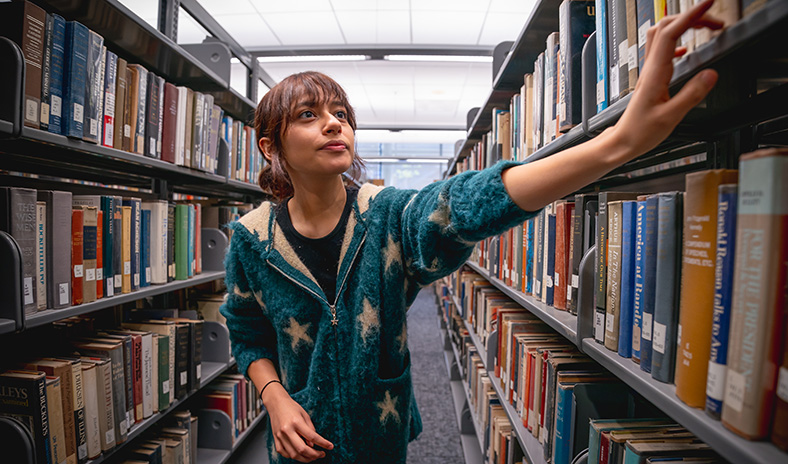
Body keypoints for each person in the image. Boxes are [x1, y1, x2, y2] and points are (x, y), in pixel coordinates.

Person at [220, 1, 723, 463]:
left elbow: (458, 205)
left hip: (380, 436)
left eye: (341, 114)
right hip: (297, 439)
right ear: (270, 146)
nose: (334, 124)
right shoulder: (251, 239)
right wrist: (275, 397)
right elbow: (247, 332)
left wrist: (617, 143)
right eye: (309, 115)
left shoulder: (386, 214)